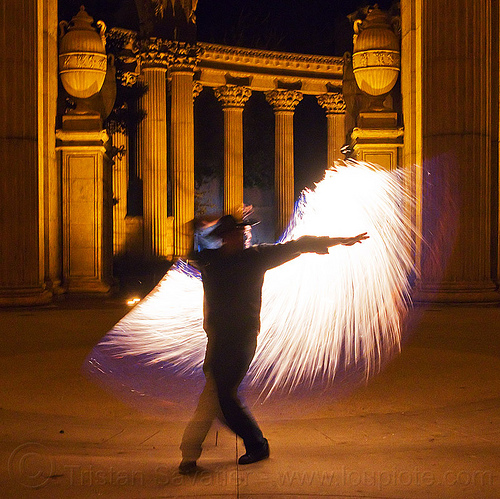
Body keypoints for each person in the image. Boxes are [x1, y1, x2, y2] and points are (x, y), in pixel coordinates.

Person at [179, 215, 368, 474]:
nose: (244, 236)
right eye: (237, 233)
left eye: (244, 232)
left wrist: (336, 241)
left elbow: (297, 244)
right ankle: (198, 453)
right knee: (216, 395)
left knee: (221, 394)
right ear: (225, 237)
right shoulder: (211, 260)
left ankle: (246, 445)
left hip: (242, 338)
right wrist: (196, 227)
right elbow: (189, 255)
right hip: (217, 338)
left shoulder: (255, 257)